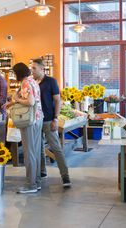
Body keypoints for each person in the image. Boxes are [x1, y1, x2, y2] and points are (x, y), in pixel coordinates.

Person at [31, 59, 71, 187]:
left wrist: (55, 118)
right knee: (39, 148)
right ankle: (42, 172)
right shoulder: (32, 83)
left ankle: (65, 176)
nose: (32, 70)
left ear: (42, 69)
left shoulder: (51, 82)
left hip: (48, 120)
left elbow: (58, 101)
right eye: (31, 68)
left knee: (56, 148)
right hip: (36, 121)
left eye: (34, 68)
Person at [5, 63, 43, 194]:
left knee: (29, 153)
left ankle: (31, 184)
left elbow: (30, 102)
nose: (13, 76)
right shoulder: (33, 81)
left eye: (14, 73)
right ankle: (36, 181)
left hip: (29, 121)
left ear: (18, 73)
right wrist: (15, 100)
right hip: (38, 119)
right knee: (35, 151)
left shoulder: (25, 83)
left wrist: (16, 99)